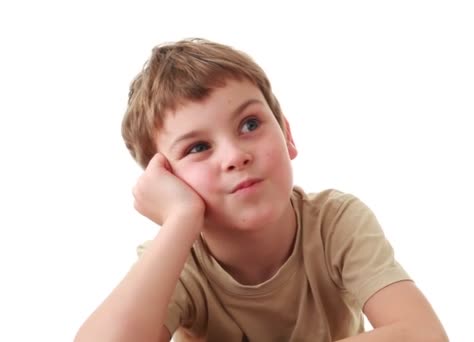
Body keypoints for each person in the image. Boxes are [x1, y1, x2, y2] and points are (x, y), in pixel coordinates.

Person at [75, 38, 448, 342]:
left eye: (250, 124)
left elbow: (424, 335)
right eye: (198, 148)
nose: (235, 156)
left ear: (287, 135)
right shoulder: (178, 258)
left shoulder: (336, 223)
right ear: (167, 181)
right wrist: (179, 220)